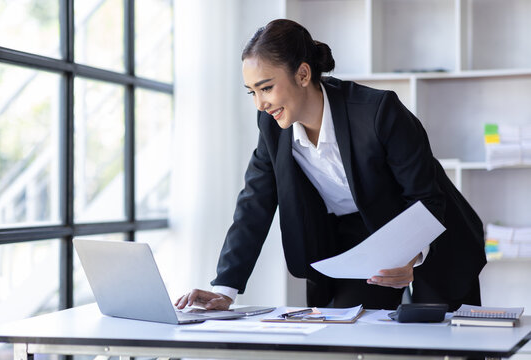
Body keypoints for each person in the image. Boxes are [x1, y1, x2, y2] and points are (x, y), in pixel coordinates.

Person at [175, 19, 486, 312]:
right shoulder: (270, 126)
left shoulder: (377, 112)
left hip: (429, 231)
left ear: (302, 74)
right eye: (252, 92)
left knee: (446, 338)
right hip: (358, 240)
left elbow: (425, 197)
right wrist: (226, 288)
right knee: (348, 334)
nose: (260, 103)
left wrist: (412, 253)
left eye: (266, 88)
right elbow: (254, 202)